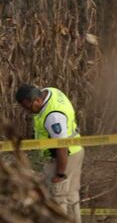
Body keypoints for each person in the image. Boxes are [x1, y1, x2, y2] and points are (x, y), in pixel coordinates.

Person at [16, 84, 84, 223]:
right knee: (71, 196)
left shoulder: (53, 116)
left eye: (27, 106)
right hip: (76, 149)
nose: (27, 111)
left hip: (64, 157)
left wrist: (60, 173)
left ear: (36, 100)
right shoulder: (50, 91)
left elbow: (61, 146)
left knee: (58, 198)